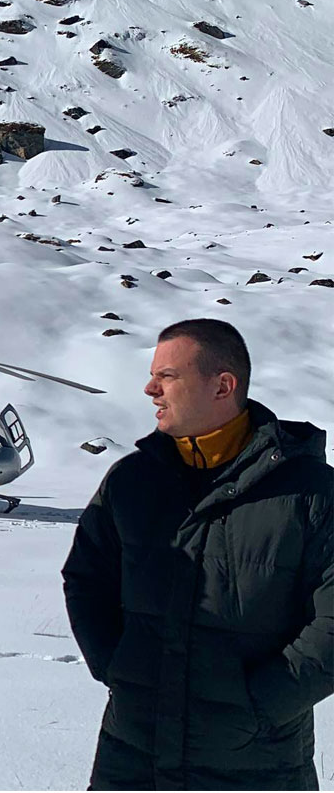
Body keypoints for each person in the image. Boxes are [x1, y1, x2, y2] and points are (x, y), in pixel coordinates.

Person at [62, 318, 333, 790]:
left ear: (222, 385)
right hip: (133, 757)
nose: (149, 389)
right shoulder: (131, 481)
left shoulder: (312, 492)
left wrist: (262, 705)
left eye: (166, 376)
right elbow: (87, 579)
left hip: (257, 766)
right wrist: (117, 668)